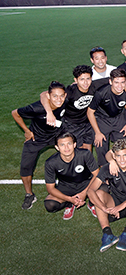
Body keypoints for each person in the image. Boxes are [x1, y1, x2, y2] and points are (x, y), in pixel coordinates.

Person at [87, 139, 126, 252]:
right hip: (115, 203)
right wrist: (103, 208)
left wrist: (122, 206)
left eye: (125, 155)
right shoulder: (108, 167)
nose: (122, 159)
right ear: (114, 156)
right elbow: (90, 190)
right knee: (98, 193)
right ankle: (107, 234)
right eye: (118, 156)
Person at [12, 81, 66, 209]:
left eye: (61, 96)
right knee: (25, 166)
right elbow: (15, 113)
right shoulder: (36, 108)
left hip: (57, 135)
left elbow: (43, 94)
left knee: (71, 153)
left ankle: (69, 185)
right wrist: (27, 131)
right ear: (49, 96)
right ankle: (29, 194)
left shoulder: (65, 100)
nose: (59, 99)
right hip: (37, 137)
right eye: (55, 96)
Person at [87, 68, 126, 166]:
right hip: (102, 119)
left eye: (123, 82)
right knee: (100, 144)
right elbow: (90, 112)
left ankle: (125, 165)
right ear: (110, 82)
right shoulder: (100, 93)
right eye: (116, 82)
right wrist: (97, 132)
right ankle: (104, 170)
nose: (120, 86)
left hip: (118, 117)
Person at [43, 132, 99, 219]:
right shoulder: (51, 162)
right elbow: (50, 188)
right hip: (66, 186)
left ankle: (92, 203)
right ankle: (70, 204)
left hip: (86, 182)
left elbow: (97, 174)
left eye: (69, 143)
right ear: (57, 147)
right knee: (50, 205)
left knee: (104, 188)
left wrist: (84, 193)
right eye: (62, 145)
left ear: (74, 144)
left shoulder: (85, 154)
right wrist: (69, 199)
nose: (66, 148)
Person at [40, 65, 95, 151]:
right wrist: (49, 113)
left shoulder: (94, 87)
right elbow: (43, 95)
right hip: (72, 125)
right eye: (81, 79)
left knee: (88, 147)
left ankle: (87, 164)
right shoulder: (70, 91)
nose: (85, 83)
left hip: (87, 123)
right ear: (75, 80)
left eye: (88, 79)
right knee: (78, 150)